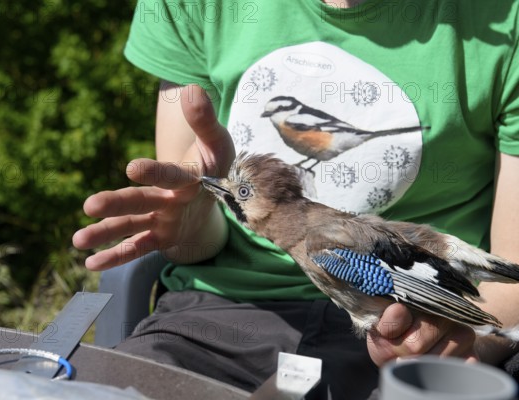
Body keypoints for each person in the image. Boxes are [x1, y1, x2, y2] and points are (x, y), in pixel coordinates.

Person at [73, 0, 519, 398]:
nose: (231, 193)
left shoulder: (503, 18)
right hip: (216, 319)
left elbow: (474, 284)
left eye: (242, 192)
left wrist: (473, 335)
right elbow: (188, 233)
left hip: (418, 332)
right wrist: (189, 223)